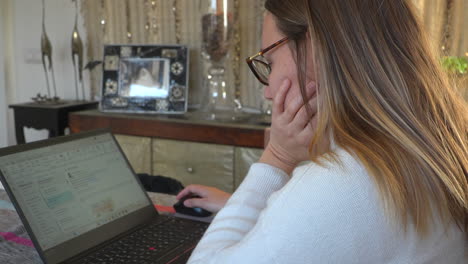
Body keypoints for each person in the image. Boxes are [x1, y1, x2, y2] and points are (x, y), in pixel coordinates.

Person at [178, 0, 467, 263]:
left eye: (270, 62)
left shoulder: (346, 180)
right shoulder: (439, 146)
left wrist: (276, 158)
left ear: (315, 46)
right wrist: (250, 208)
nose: (268, 91)